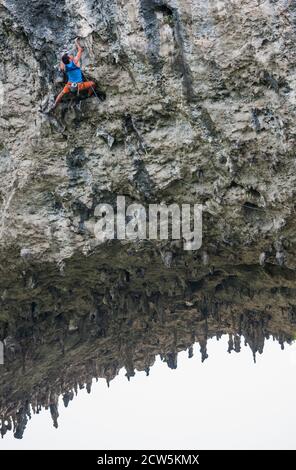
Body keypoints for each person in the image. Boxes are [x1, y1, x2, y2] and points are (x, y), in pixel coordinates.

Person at [53, 38, 95, 109]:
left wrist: (63, 57)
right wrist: (76, 42)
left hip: (69, 85)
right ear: (69, 59)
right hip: (79, 85)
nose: (70, 55)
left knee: (61, 94)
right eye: (69, 56)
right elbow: (80, 50)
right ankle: (88, 95)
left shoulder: (64, 67)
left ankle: (54, 105)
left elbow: (62, 62)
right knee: (93, 84)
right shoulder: (74, 62)